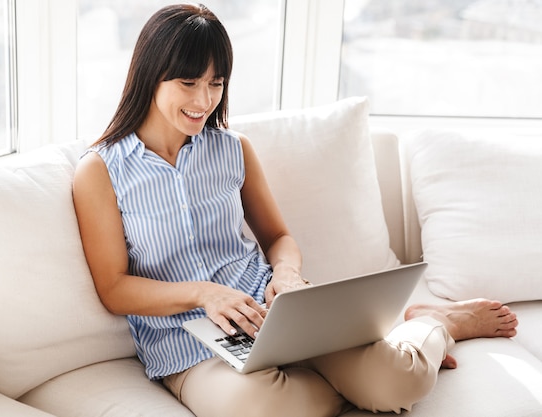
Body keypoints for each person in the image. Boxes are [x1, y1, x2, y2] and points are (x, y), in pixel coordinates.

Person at [72, 4, 519, 416]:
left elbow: (278, 239)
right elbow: (114, 288)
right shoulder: (100, 171)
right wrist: (204, 293)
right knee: (263, 409)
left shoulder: (232, 149)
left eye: (216, 83)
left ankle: (435, 324)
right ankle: (366, 367)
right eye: (188, 83)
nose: (204, 100)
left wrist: (285, 274)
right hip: (186, 342)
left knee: (396, 383)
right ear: (151, 76)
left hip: (277, 313)